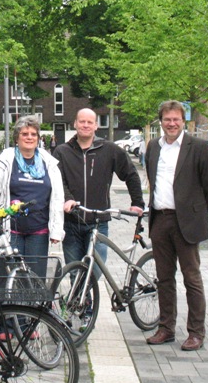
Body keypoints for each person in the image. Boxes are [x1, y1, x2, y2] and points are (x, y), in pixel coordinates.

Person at [144, 100, 208, 351]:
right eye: (167, 119)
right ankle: (166, 328)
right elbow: (153, 180)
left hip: (186, 222)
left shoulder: (198, 147)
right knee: (164, 279)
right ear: (161, 122)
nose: (172, 124)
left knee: (191, 279)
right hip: (160, 219)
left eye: (176, 119)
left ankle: (196, 332)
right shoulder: (154, 146)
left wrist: (196, 213)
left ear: (183, 121)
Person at [53, 108, 144, 274]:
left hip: (98, 222)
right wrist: (68, 199)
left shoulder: (109, 149)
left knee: (95, 271)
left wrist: (137, 202)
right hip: (71, 222)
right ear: (75, 124)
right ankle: (80, 293)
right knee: (74, 272)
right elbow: (58, 181)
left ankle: (88, 291)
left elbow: (130, 174)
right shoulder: (62, 151)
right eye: (82, 121)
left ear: (96, 125)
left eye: (90, 122)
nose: (85, 125)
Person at [0, 115, 64, 284]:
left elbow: (58, 198)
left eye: (33, 134)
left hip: (39, 230)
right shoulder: (5, 160)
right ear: (16, 138)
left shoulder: (48, 162)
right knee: (8, 280)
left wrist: (57, 230)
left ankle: (32, 303)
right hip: (10, 231)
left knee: (35, 282)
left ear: (38, 138)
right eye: (24, 134)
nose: (29, 137)